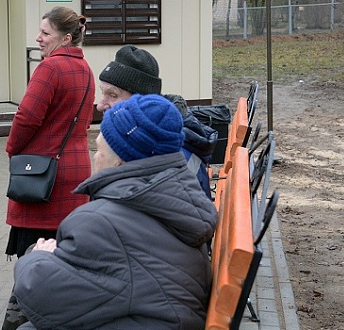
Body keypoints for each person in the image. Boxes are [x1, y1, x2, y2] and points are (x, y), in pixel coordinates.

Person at [13, 94, 218, 329]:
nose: (94, 157)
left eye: (99, 150)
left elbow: (41, 295)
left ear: (119, 161)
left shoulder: (102, 222)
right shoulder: (177, 200)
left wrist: (38, 256)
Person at [2, 6, 95, 329]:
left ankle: (21, 317)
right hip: (76, 168)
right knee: (61, 249)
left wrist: (12, 149)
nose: (38, 38)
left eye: (45, 33)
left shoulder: (50, 68)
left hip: (43, 173)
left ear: (65, 38)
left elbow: (26, 117)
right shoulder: (85, 70)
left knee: (34, 253)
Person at [97, 44, 218, 199]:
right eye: (103, 93)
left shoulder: (175, 156)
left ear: (140, 102)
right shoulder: (146, 141)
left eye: (113, 95)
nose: (100, 105)